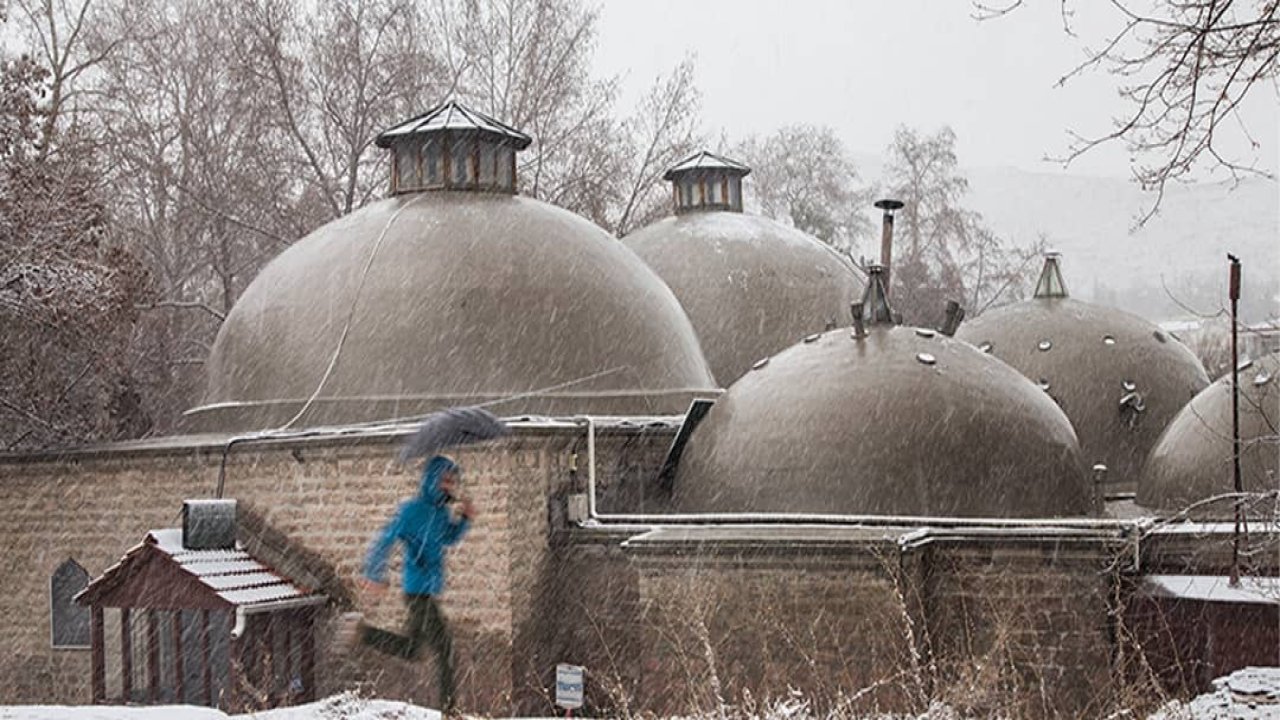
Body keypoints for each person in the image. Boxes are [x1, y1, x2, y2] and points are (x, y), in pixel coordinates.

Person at [347, 454, 475, 713]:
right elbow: (384, 539)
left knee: (414, 650)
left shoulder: (440, 512)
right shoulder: (411, 510)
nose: (449, 485)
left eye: (452, 481)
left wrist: (463, 519)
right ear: (432, 480)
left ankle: (363, 633)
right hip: (417, 591)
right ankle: (451, 712)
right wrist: (375, 574)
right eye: (445, 480)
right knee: (446, 650)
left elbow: (447, 538)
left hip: (428, 590)